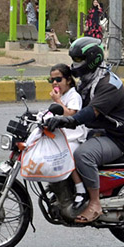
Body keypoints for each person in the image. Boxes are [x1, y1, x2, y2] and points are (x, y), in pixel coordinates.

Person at [46, 37, 124, 223]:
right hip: (94, 133)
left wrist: (69, 120)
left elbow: (90, 112)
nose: (75, 65)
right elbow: (73, 105)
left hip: (114, 137)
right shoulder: (87, 80)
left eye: (78, 60)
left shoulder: (109, 84)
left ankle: (94, 203)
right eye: (74, 60)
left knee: (82, 155)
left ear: (92, 59)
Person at [46, 63, 88, 207]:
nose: (55, 83)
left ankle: (80, 189)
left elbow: (71, 114)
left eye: (58, 79)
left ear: (68, 80)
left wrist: (57, 101)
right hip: (62, 136)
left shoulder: (73, 96)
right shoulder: (62, 95)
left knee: (66, 155)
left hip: (74, 137)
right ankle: (59, 186)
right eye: (52, 80)